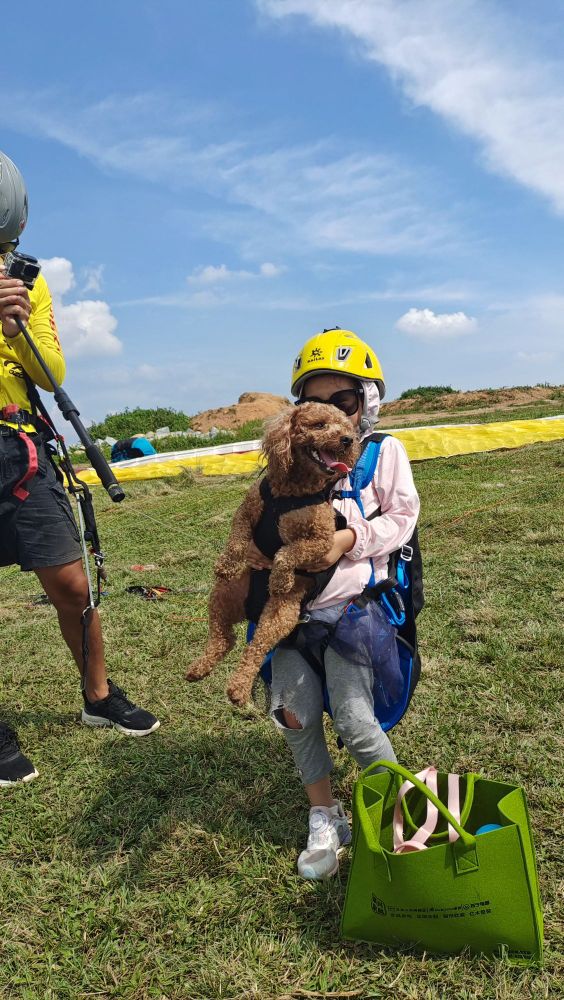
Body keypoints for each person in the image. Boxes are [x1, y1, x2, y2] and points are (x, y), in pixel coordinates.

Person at [0, 151, 159, 787]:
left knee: (72, 583)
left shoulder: (28, 282)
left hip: (20, 446)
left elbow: (50, 373)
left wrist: (13, 329)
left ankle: (98, 695)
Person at [247, 329, 420, 879]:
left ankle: (404, 816)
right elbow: (259, 522)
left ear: (366, 399)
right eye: (314, 404)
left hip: (354, 612)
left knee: (353, 718)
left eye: (342, 401)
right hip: (292, 615)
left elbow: (401, 518)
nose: (332, 416)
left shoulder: (383, 453)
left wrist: (347, 541)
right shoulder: (294, 462)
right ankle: (325, 815)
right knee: (294, 713)